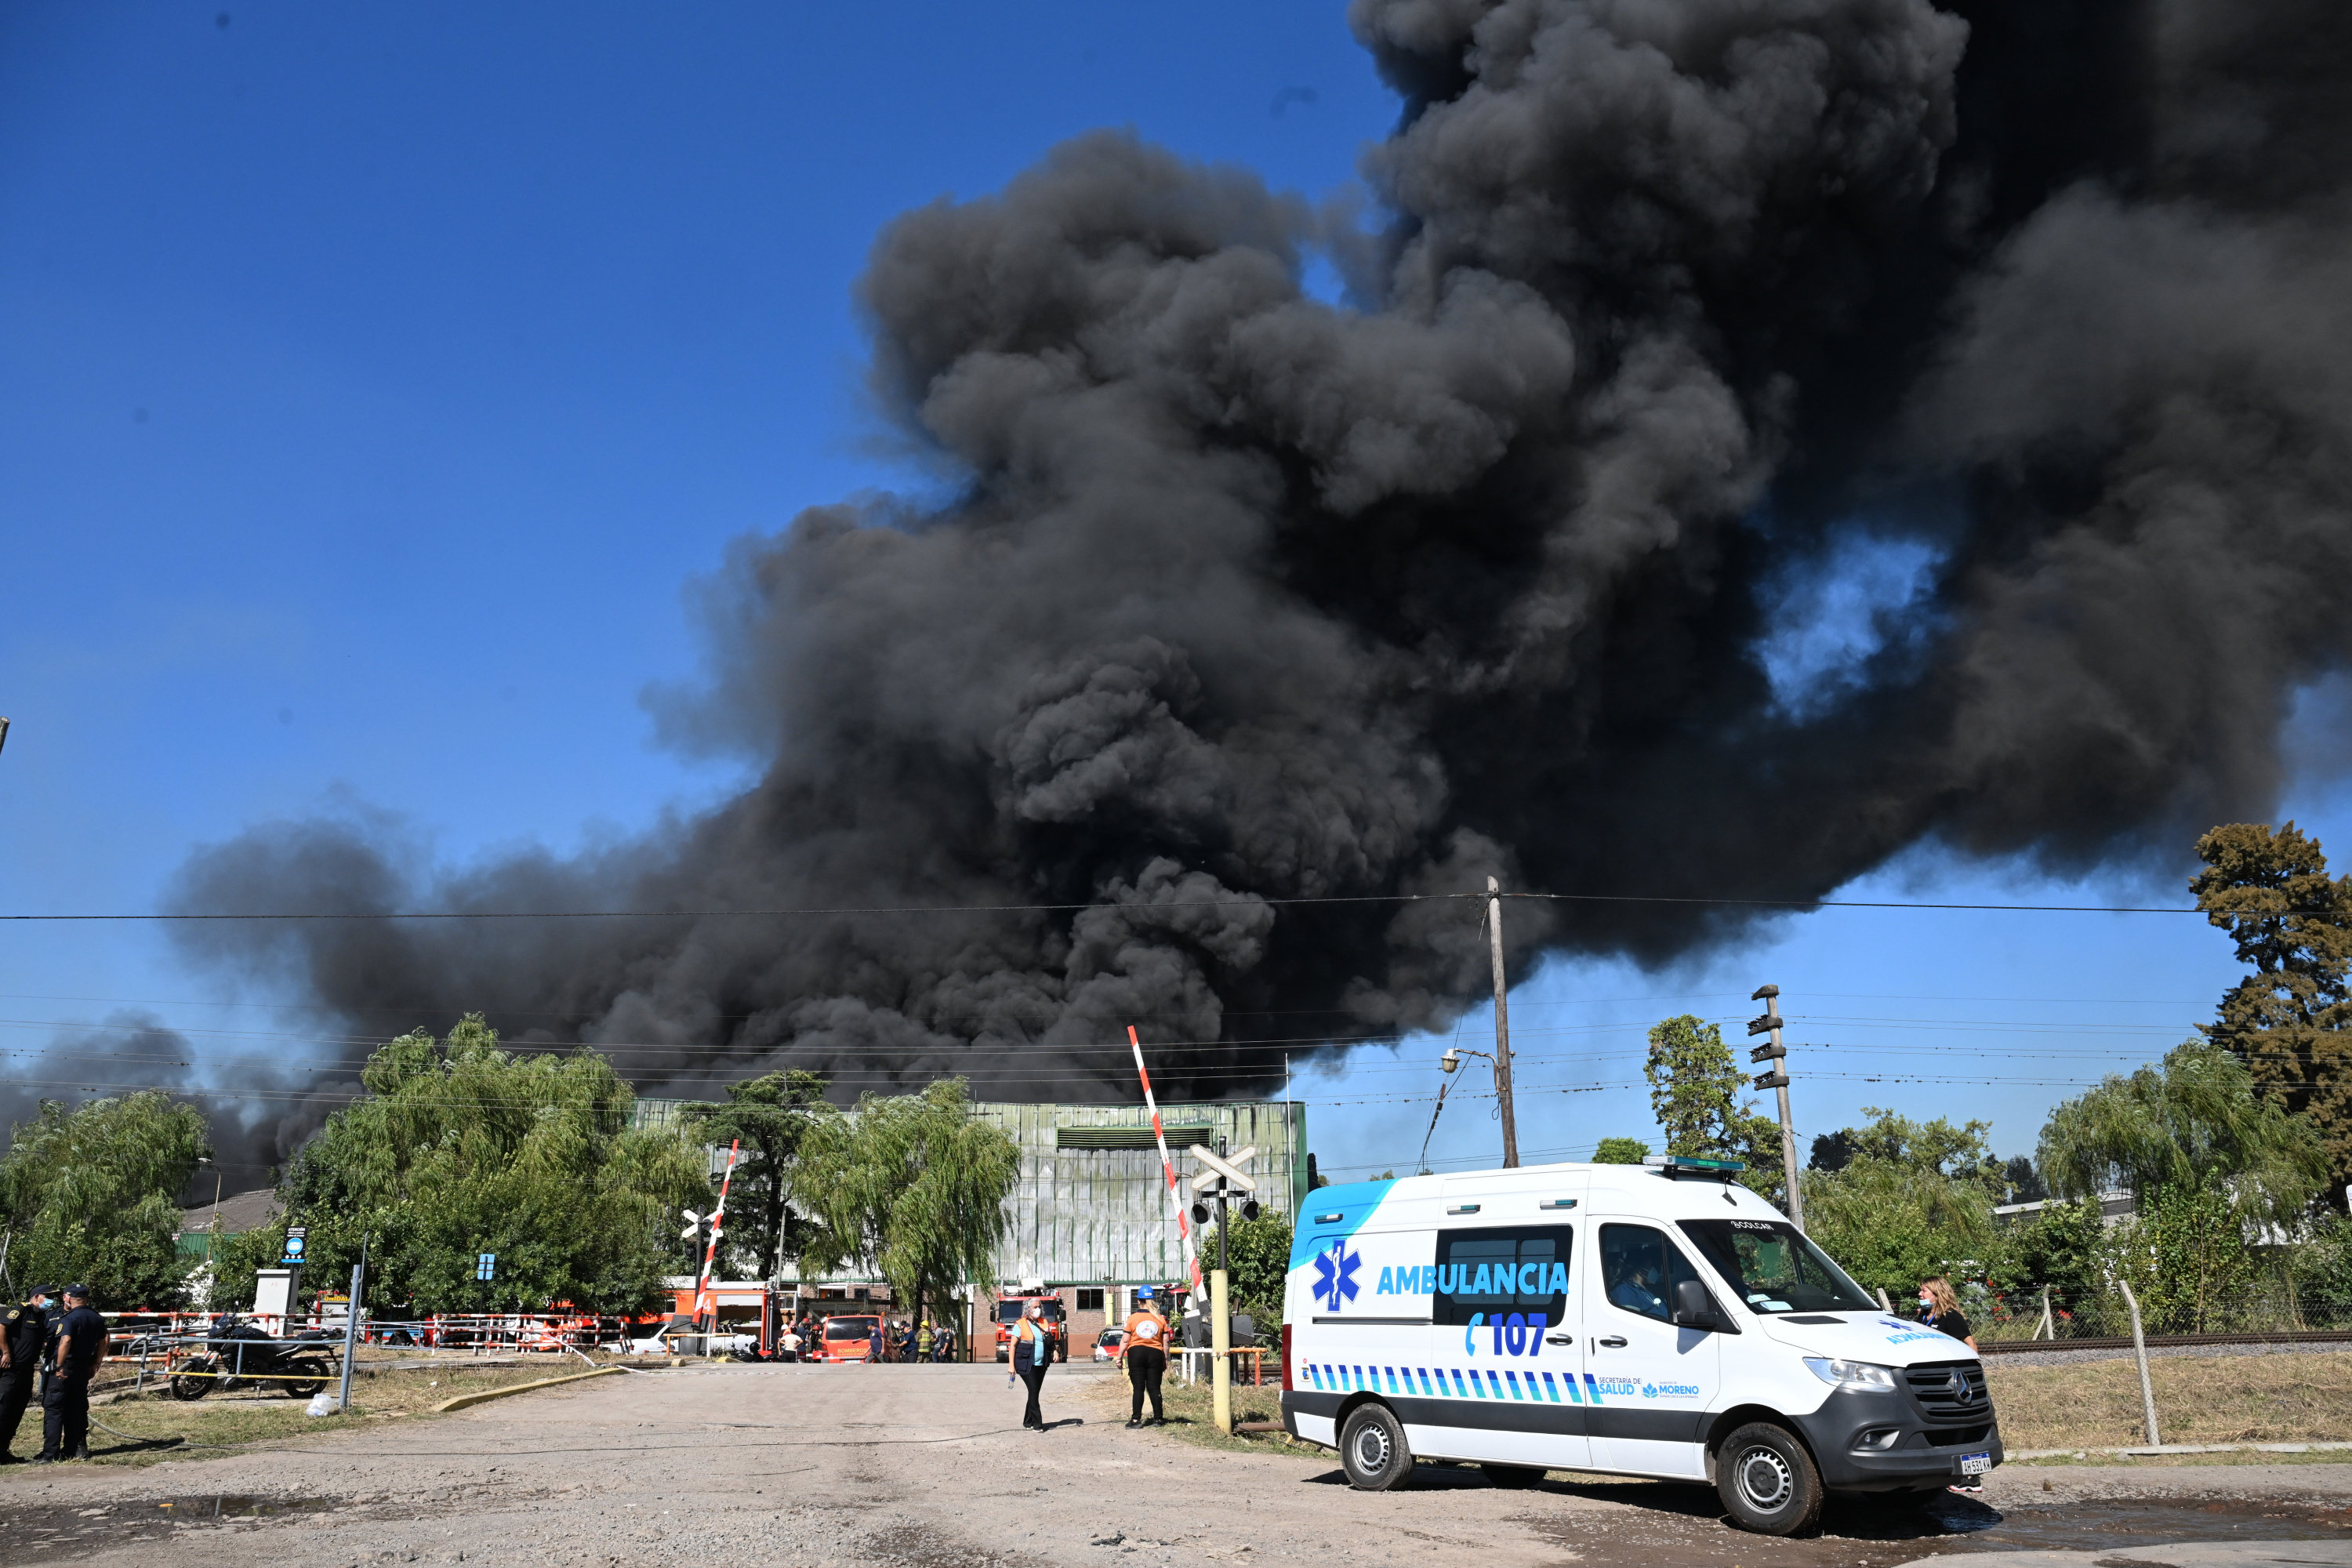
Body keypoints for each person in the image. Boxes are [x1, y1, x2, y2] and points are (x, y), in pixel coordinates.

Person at [38, 1285, 104, 1463]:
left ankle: (50, 1454)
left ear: (68, 1298)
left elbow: (65, 1340)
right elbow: (104, 1340)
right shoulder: (96, 1317)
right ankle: (70, 1450)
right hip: (83, 1369)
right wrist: (96, 1363)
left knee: (54, 1410)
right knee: (75, 1410)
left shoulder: (69, 1318)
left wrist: (59, 1365)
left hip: (64, 1369)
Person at [0, 1286, 54, 1463]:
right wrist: (6, 1352)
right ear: (37, 1297)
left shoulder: (42, 1316)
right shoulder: (21, 1310)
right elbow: (2, 1328)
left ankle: (3, 1450)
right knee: (3, 1408)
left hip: (27, 1370)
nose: (52, 1300)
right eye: (48, 1297)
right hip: (11, 1369)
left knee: (17, 1410)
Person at [1122, 1287, 1169, 1428]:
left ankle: (1136, 1420)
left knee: (1138, 1387)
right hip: (1155, 1354)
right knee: (1154, 1387)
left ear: (1138, 1301)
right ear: (1151, 1300)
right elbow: (1165, 1341)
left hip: (1136, 1353)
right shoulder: (1160, 1318)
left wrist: (1119, 1358)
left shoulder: (1132, 1318)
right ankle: (1158, 1419)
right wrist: (1164, 1359)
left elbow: (1125, 1340)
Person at [1010, 1300, 1052, 1431]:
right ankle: (1038, 1424)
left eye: (1039, 1307)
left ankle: (1028, 1422)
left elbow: (1050, 1341)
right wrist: (1011, 1366)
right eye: (1035, 1307)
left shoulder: (1044, 1322)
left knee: (1034, 1392)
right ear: (1028, 1309)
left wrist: (1055, 1351)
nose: (1038, 1309)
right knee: (1033, 1390)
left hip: (1042, 1363)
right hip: (1025, 1363)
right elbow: (1012, 1346)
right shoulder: (1020, 1324)